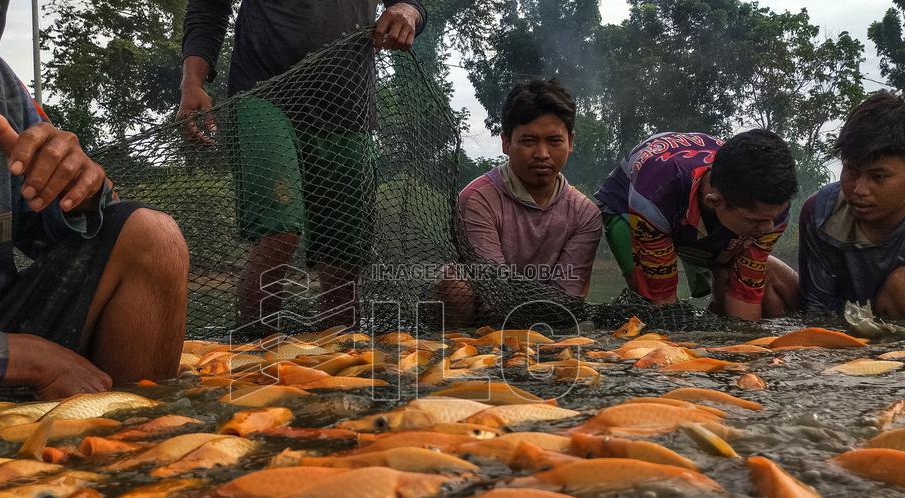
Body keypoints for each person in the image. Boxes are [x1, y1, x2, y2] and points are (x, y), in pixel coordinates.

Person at [0, 0, 189, 399]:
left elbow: (61, 230)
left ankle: (132, 444)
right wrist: (29, 358)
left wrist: (82, 192)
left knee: (150, 236)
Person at [178, 0, 426, 334]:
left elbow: (412, 5)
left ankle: (337, 373)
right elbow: (209, 7)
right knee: (280, 232)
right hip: (264, 92)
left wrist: (408, 11)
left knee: (344, 260)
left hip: (348, 107)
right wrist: (192, 81)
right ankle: (251, 354)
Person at [595, 130, 800, 321]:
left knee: (734, 278)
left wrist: (747, 350)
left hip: (693, 206)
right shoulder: (654, 196)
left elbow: (746, 293)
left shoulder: (771, 207)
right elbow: (662, 300)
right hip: (628, 206)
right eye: (755, 221)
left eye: (772, 218)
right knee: (647, 301)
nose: (768, 229)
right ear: (714, 202)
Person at [455, 80, 602, 309]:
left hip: (552, 314)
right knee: (454, 283)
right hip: (484, 311)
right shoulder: (477, 198)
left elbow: (567, 293)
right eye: (528, 141)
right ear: (506, 143)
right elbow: (494, 286)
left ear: (570, 142)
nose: (542, 154)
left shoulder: (585, 214)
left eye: (554, 141)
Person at [799, 92, 905, 318]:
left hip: (894, 309)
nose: (859, 190)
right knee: (767, 273)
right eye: (851, 172)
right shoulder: (820, 213)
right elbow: (817, 306)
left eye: (878, 177)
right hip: (844, 317)